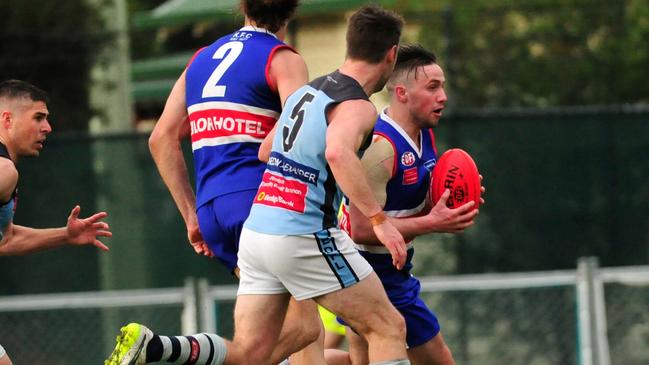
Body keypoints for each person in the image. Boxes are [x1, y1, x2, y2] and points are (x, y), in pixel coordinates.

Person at [105, 4, 409, 365]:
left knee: (279, 340)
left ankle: (160, 349)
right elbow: (305, 145)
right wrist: (376, 216)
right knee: (333, 329)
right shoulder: (283, 59)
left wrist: (191, 214)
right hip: (268, 202)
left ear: (243, 6)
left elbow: (160, 138)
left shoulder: (202, 57)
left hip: (213, 210)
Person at [333, 44, 483, 365]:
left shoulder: (423, 134)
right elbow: (361, 228)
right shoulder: (381, 149)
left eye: (442, 85)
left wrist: (448, 201)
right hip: (370, 268)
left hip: (389, 267)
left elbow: (407, 203)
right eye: (433, 87)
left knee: (363, 362)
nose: (442, 96)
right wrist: (435, 222)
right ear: (401, 93)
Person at [0, 79, 113, 365]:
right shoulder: (4, 170)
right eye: (38, 118)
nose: (47, 128)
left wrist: (67, 235)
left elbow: (6, 239)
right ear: (7, 119)